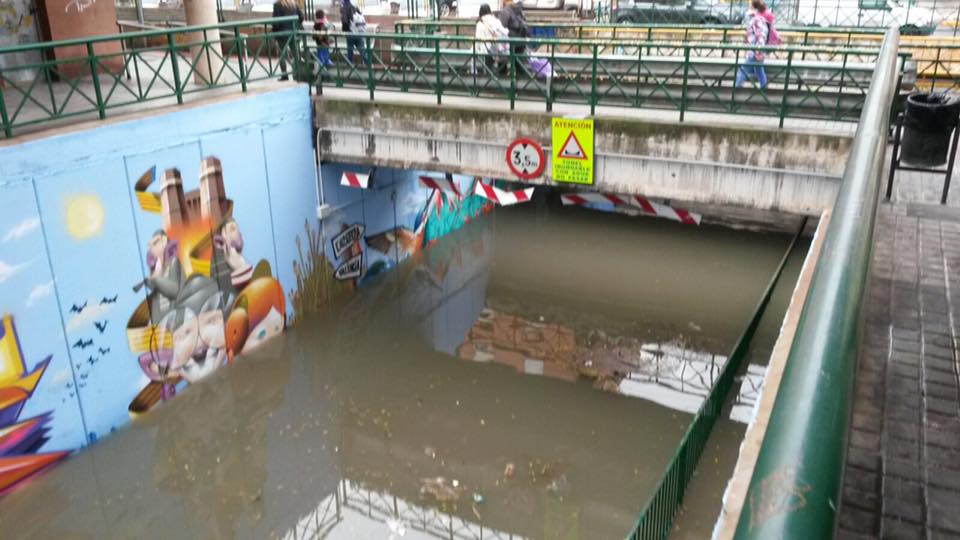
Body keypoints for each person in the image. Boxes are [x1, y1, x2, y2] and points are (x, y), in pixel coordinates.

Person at [735, 0, 770, 89]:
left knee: (744, 68)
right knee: (759, 69)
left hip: (755, 49)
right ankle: (764, 88)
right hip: (756, 48)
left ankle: (736, 89)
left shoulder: (756, 20)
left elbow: (760, 36)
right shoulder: (759, 19)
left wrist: (758, 50)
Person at [272, 0, 304, 81]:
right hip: (293, 32)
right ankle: (298, 73)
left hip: (282, 34)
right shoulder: (294, 4)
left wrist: (274, 32)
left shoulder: (278, 5)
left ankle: (284, 75)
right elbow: (302, 17)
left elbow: (276, 21)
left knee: (282, 54)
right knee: (295, 53)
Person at [475, 3, 508, 73]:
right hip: (498, 48)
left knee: (488, 69)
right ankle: (502, 79)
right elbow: (504, 31)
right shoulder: (496, 20)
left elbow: (477, 38)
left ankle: (489, 78)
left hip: (486, 49)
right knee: (501, 67)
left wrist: (476, 50)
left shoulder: (480, 23)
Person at [341, 0, 368, 66]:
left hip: (350, 33)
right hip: (359, 33)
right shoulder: (355, 8)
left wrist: (345, 31)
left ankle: (350, 65)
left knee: (350, 49)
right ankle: (368, 64)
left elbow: (345, 22)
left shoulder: (344, 9)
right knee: (362, 50)